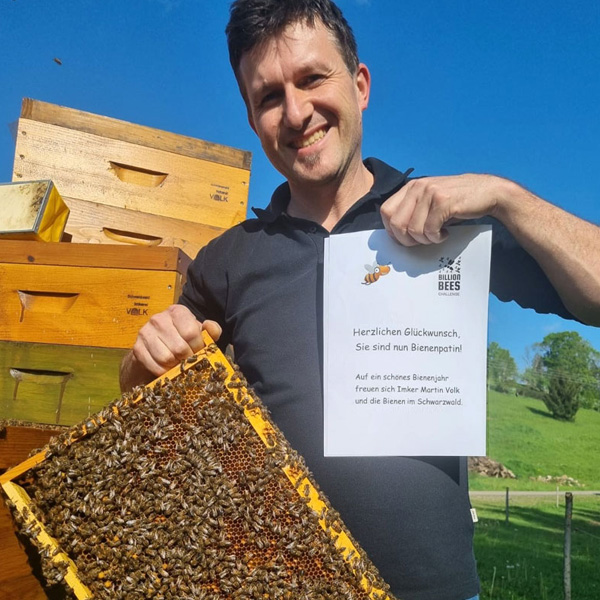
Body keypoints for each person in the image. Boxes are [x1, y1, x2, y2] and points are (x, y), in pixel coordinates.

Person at [120, 1, 600, 598]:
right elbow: (147, 396)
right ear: (251, 118)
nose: (296, 113)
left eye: (313, 78)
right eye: (269, 97)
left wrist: (505, 198)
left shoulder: (446, 220)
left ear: (360, 84)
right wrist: (143, 362)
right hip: (277, 585)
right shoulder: (228, 258)